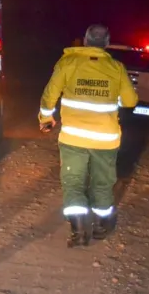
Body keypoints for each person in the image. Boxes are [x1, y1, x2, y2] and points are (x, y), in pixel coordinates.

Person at [38, 24, 138, 247]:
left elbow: (50, 94)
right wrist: (111, 101)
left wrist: (46, 118)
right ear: (107, 43)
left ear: (85, 40)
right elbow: (131, 101)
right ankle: (101, 227)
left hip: (74, 138)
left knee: (73, 183)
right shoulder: (116, 68)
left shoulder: (68, 63)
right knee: (102, 184)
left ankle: (78, 231)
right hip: (106, 139)